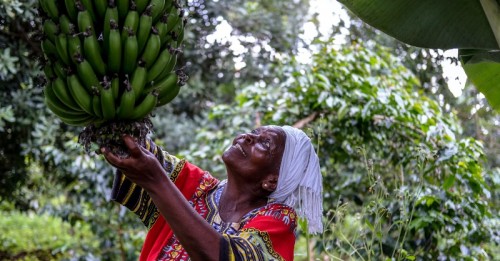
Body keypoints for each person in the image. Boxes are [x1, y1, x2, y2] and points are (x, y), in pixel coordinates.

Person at [101, 125, 323, 261]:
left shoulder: (278, 219)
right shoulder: (193, 185)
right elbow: (135, 146)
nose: (247, 137)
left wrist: (157, 182)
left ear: (271, 180)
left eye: (265, 143)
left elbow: (224, 256)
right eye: (254, 132)